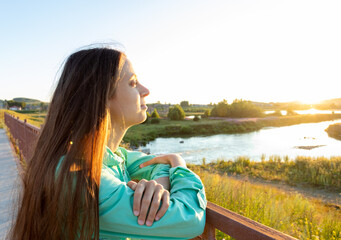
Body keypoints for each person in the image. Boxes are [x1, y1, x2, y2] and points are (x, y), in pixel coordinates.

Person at [9, 47, 206, 240]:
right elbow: (189, 219)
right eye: (132, 83)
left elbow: (159, 164)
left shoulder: (112, 156)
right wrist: (179, 166)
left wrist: (161, 181)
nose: (145, 90)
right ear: (101, 97)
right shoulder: (81, 178)